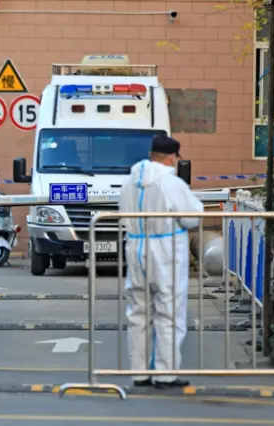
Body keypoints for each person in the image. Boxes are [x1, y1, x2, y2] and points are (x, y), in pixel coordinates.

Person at [118, 134, 203, 389]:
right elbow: (191, 218)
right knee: (169, 310)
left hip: (135, 247)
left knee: (138, 311)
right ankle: (165, 373)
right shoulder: (171, 182)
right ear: (171, 157)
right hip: (165, 250)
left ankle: (139, 372)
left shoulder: (130, 182)